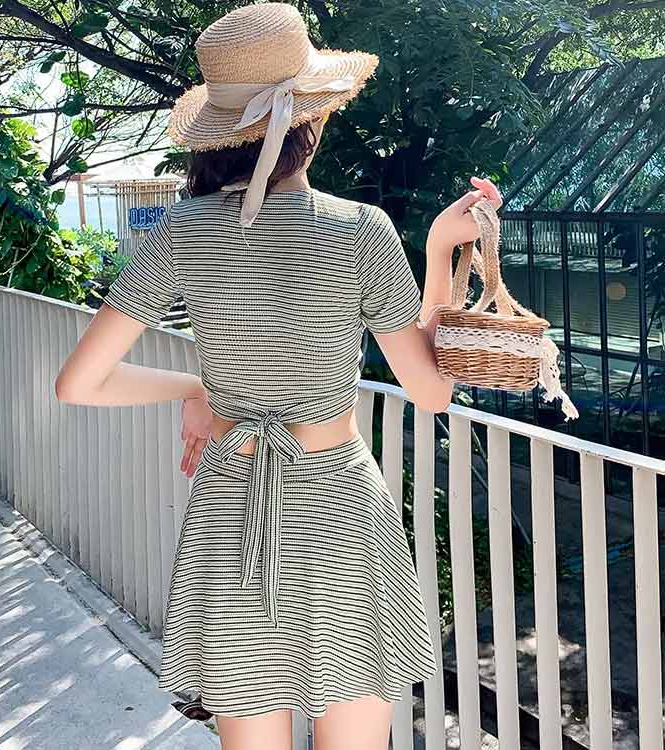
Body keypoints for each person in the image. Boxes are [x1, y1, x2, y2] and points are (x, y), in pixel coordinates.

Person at [54, 4, 502, 749]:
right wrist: (438, 254)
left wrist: (198, 390)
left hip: (232, 511)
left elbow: (78, 383)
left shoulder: (177, 233)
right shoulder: (360, 230)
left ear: (219, 132)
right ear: (310, 119)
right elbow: (431, 391)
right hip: (340, 511)